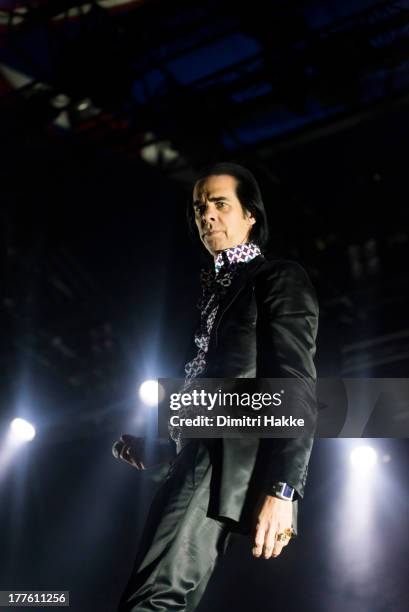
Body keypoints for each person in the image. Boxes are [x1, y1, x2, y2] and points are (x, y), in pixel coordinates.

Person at [116, 162, 319, 611]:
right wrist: (163, 444)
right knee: (166, 600)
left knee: (152, 600)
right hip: (194, 455)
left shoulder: (277, 277)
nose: (206, 214)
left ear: (251, 216)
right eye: (198, 207)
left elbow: (295, 381)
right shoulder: (208, 291)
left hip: (222, 458)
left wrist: (284, 489)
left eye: (220, 203)